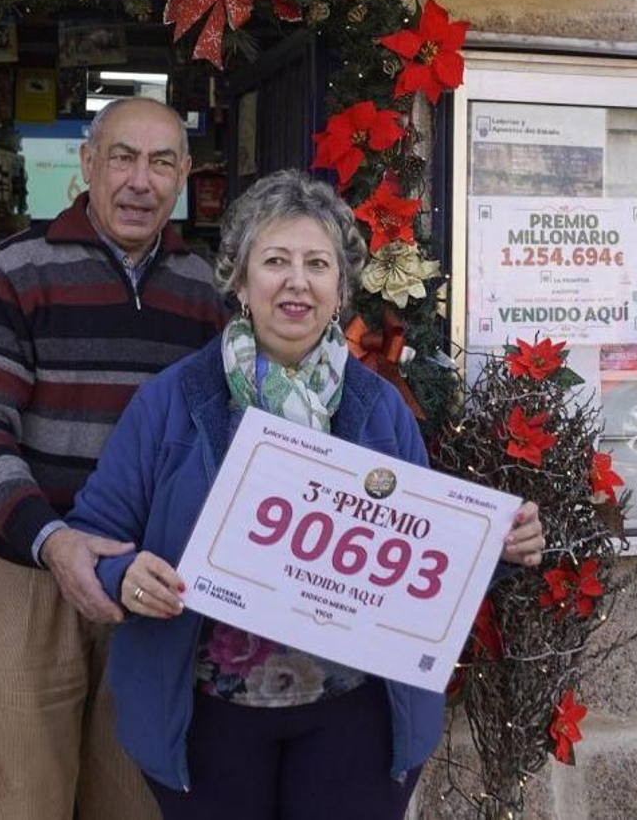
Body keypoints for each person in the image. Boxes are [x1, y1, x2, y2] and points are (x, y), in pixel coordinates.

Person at [64, 169, 545, 819]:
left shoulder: (379, 408)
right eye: (276, 260)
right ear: (239, 279)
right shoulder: (173, 400)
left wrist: (496, 543)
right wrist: (124, 575)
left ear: (340, 288)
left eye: (317, 263)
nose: (297, 280)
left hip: (353, 716)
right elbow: (96, 532)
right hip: (209, 718)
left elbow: (421, 558)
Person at [0, 97, 227, 819]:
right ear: (87, 164)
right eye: (123, 157)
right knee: (20, 804)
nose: (141, 179)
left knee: (137, 801)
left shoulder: (210, 294)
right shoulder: (17, 268)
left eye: (162, 161)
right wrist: (52, 539)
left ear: (185, 174)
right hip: (27, 575)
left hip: (153, 587)